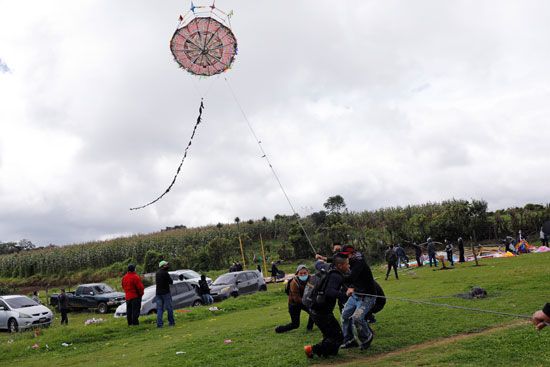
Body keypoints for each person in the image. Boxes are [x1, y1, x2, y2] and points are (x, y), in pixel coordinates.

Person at [304, 253, 348, 358]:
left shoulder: (329, 268)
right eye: (347, 264)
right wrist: (345, 294)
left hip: (317, 310)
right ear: (340, 265)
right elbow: (330, 291)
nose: (349, 266)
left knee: (330, 335)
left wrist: (319, 259)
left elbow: (318, 265)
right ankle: (312, 349)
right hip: (322, 313)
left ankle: (328, 352)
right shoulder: (336, 276)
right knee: (338, 336)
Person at [340, 245, 377, 351]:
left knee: (357, 318)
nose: (345, 258)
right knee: (344, 316)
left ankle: (367, 337)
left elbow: (351, 277)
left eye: (346, 256)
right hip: (355, 295)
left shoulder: (359, 262)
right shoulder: (349, 262)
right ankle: (349, 340)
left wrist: (338, 276)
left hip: (367, 297)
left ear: (352, 254)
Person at [275, 265, 314, 333]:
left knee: (313, 312)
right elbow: (296, 298)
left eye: (305, 273)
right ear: (297, 274)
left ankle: (309, 328)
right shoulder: (294, 283)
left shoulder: (311, 279)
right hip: (294, 303)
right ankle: (279, 329)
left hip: (304, 300)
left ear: (308, 272)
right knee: (295, 324)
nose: (303, 275)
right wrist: (308, 302)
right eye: (301, 273)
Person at [155, 260, 175, 328]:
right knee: (169, 308)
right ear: (163, 266)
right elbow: (171, 282)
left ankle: (159, 324)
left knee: (160, 309)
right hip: (166, 293)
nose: (167, 266)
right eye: (166, 265)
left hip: (158, 293)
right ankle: (171, 323)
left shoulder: (157, 273)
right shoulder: (165, 273)